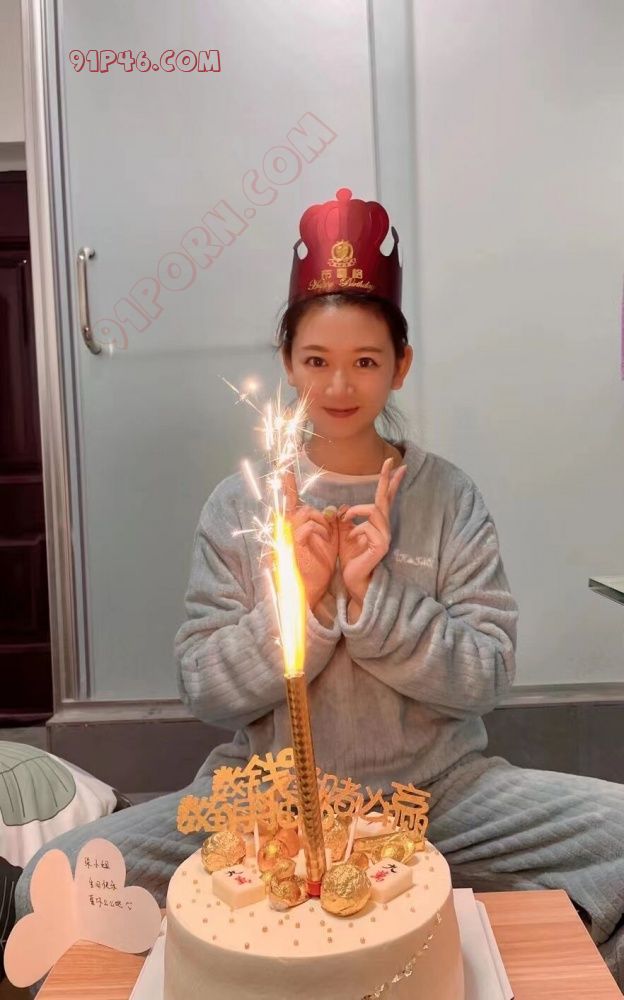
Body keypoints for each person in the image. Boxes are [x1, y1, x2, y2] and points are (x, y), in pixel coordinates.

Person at [15, 188, 624, 992]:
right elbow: (204, 689)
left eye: (366, 361)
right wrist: (294, 605)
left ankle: (512, 969)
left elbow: (487, 677)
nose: (339, 384)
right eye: (316, 361)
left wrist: (376, 605)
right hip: (261, 805)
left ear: (401, 364)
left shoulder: (447, 498)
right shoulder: (239, 506)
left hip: (438, 795)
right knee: (52, 885)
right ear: (287, 362)